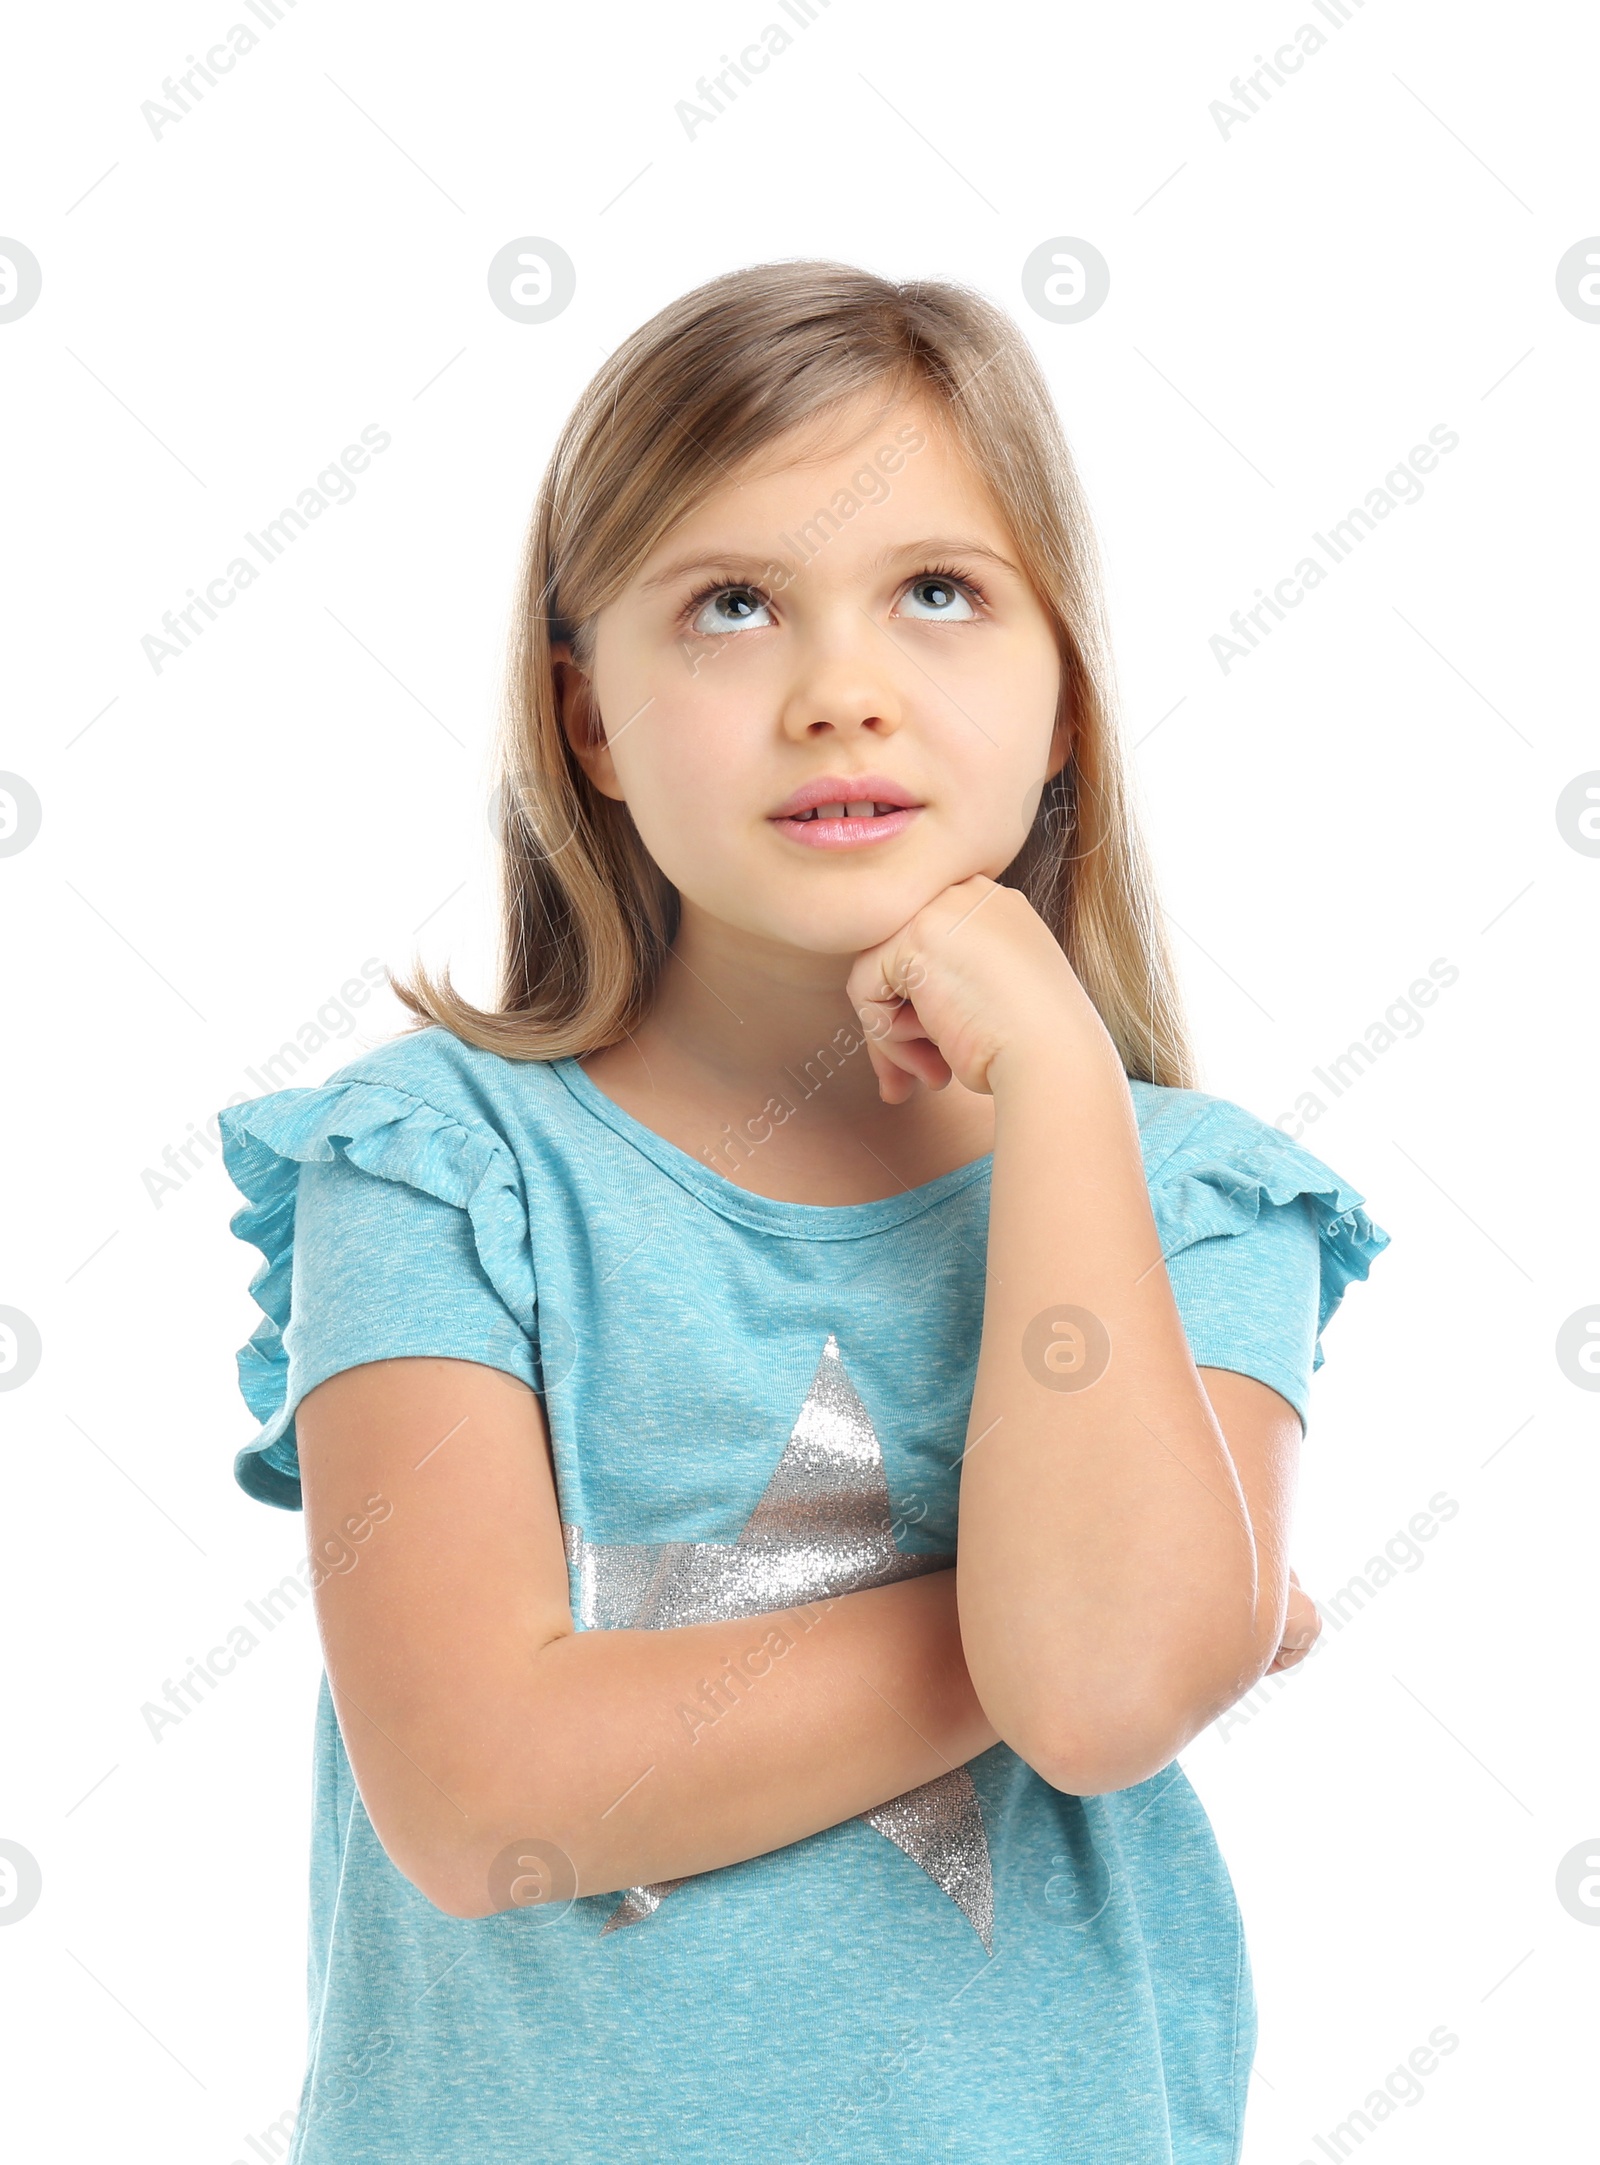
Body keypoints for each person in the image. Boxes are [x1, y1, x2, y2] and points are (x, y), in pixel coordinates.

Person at [218, 259, 1390, 2163]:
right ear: (586, 715)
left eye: (940, 592)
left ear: (1065, 698)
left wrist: (1072, 1097)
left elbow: (1097, 1701)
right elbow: (485, 1788)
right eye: (734, 606)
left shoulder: (1195, 1204)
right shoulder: (435, 1162)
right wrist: (1161, 1617)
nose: (841, 691)